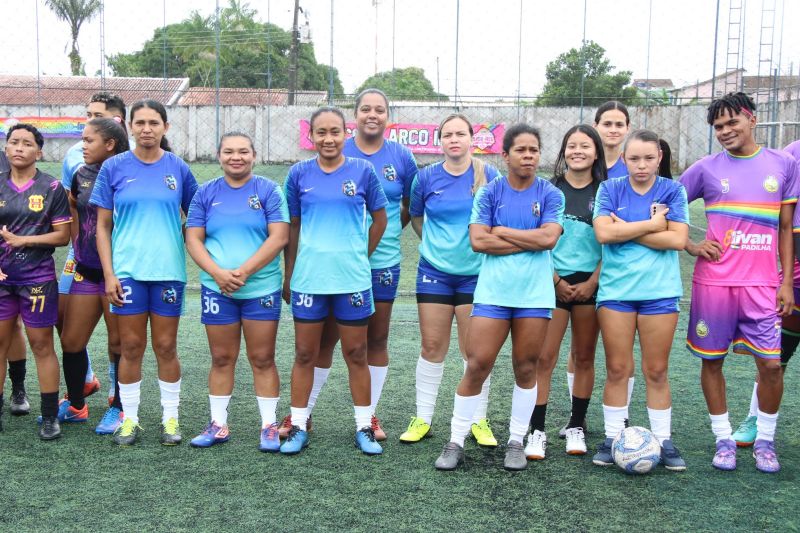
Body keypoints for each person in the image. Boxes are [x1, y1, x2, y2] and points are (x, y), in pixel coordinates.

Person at [278, 88, 418, 441]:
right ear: (354, 117)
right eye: (365, 108)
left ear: (388, 115)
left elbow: (404, 208)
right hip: (325, 270)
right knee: (321, 342)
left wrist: (362, 249)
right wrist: (290, 273)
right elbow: (293, 224)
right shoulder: (321, 163)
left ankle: (369, 418)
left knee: (374, 341)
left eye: (379, 109)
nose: (373, 114)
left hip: (378, 262)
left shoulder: (400, 157)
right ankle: (302, 414)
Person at [434, 124, 564, 471]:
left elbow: (548, 239)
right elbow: (479, 241)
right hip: (493, 293)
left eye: (534, 150)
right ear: (505, 155)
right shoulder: (489, 193)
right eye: (521, 150)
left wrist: (502, 231)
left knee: (526, 367)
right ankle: (455, 441)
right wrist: (529, 238)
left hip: (534, 296)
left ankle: (516, 442)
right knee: (477, 364)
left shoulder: (550, 194)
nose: (528, 156)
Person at [681, 92, 798, 473]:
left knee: (772, 366)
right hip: (714, 285)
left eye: (732, 122)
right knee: (712, 361)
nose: (725, 131)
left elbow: (786, 228)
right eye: (718, 127)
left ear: (752, 119)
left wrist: (785, 282)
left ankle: (765, 440)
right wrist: (691, 244)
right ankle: (723, 440)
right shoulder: (705, 168)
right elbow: (666, 207)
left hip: (762, 285)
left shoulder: (783, 164)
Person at [91, 99, 198, 447]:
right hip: (127, 273)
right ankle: (130, 419)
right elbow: (102, 226)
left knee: (166, 347)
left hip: (168, 272)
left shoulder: (178, 168)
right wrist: (110, 274)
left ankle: (171, 418)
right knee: (131, 347)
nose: (147, 129)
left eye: (154, 123)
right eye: (140, 123)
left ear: (165, 127)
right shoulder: (114, 167)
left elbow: (197, 217)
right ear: (130, 127)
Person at [400, 113, 501, 447]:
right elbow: (417, 217)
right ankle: (423, 418)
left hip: (477, 275)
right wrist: (437, 246)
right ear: (439, 141)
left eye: (460, 134)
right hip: (434, 273)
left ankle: (478, 419)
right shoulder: (426, 177)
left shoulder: (490, 175)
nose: (454, 139)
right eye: (447, 135)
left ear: (472, 138)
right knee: (432, 347)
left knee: (475, 352)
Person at [591, 129, 689, 472]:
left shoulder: (673, 190)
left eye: (649, 158)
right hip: (616, 293)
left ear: (659, 157)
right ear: (623, 159)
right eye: (634, 158)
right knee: (618, 368)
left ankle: (663, 439)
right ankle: (612, 437)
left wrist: (628, 229)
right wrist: (652, 225)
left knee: (656, 370)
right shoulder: (609, 188)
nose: (641, 165)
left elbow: (677, 240)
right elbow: (604, 233)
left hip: (659, 293)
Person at [186, 132, 289, 451]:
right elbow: (193, 238)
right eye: (229, 151)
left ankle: (269, 426)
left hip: (261, 288)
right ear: (219, 156)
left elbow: (279, 237)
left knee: (262, 358)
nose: (236, 157)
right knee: (221, 357)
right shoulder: (205, 193)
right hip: (217, 290)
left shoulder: (269, 190)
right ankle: (218, 424)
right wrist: (218, 273)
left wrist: (244, 272)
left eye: (243, 151)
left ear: (254, 155)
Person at [528, 125, 606, 459]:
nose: (578, 151)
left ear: (596, 152)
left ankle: (576, 425)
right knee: (544, 357)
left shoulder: (606, 191)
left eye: (585, 146)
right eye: (571, 146)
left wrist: (592, 282)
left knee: (584, 356)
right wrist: (556, 280)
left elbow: (611, 246)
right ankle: (537, 430)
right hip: (553, 283)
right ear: (563, 152)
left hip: (591, 284)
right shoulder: (548, 189)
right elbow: (536, 239)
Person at [57, 92, 129, 405]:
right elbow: (73, 205)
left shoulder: (130, 173)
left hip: (118, 272)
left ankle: (119, 406)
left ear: (110, 143)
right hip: (86, 270)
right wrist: (77, 242)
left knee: (119, 342)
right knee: (71, 340)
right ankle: (76, 405)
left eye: (89, 141)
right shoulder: (81, 173)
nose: (82, 146)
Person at [0, 124, 72, 439]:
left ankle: (49, 416)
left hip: (37, 279)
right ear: (6, 148)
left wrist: (24, 241)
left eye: (27, 143)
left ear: (39, 152)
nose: (19, 148)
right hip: (2, 279)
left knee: (42, 345)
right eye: (14, 142)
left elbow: (62, 235)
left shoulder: (51, 187)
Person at [729, 138, 800, 448]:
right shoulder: (793, 153)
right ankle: (755, 418)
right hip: (795, 281)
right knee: (775, 359)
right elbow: (783, 219)